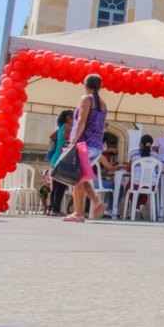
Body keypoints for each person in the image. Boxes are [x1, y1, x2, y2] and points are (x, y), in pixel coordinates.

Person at [62, 74, 109, 223]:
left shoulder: (86, 99)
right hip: (95, 145)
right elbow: (101, 127)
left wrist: (73, 141)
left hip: (84, 144)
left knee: (77, 178)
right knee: (81, 177)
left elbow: (81, 121)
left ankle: (78, 213)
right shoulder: (103, 104)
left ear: (85, 85)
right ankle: (96, 202)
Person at [47, 110, 73, 216]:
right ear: (68, 117)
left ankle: (50, 208)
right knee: (61, 185)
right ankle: (56, 209)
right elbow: (67, 139)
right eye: (73, 116)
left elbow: (52, 137)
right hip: (62, 158)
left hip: (55, 157)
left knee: (55, 186)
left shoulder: (61, 126)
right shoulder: (68, 126)